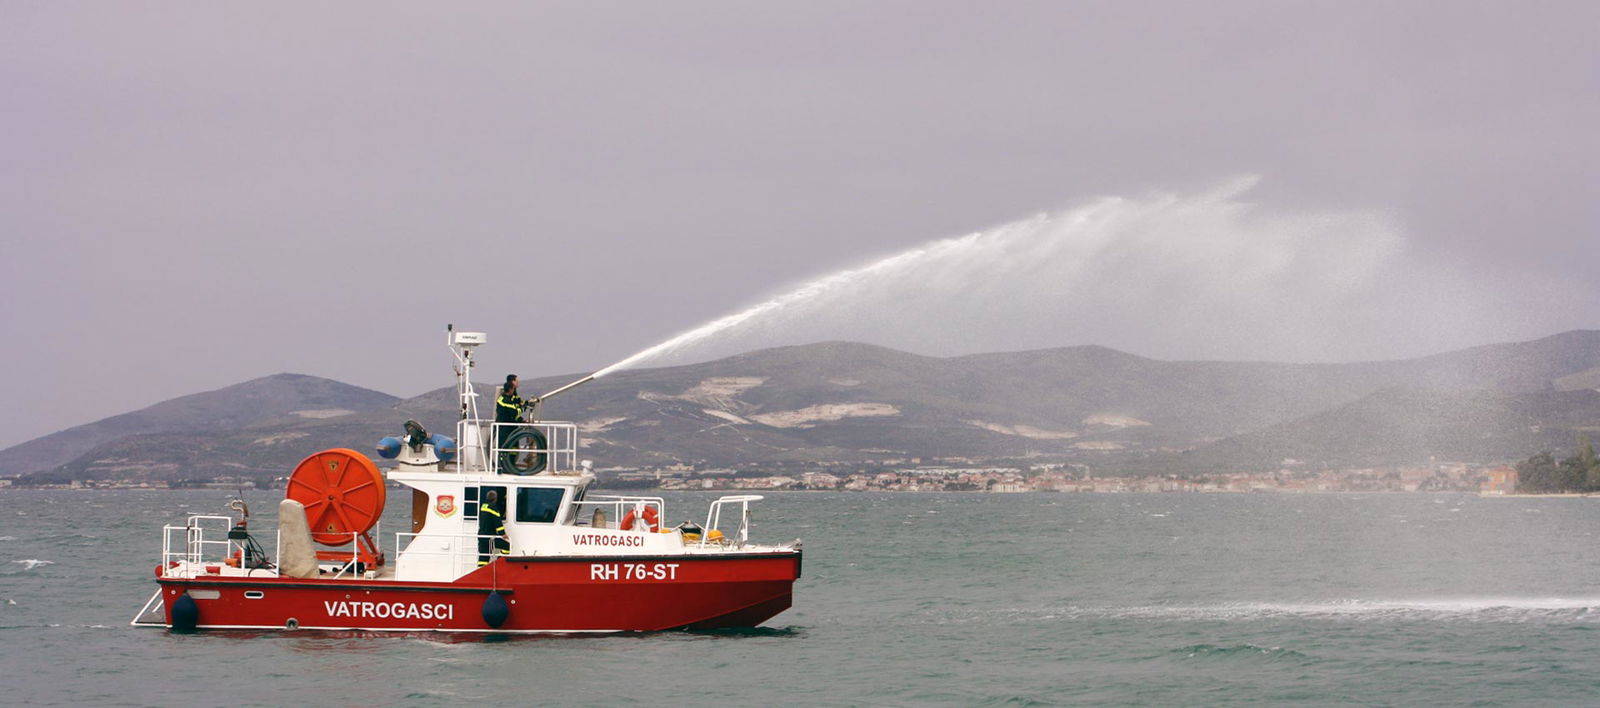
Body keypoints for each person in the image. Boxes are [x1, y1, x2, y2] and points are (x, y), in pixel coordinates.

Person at [477, 489, 510, 566]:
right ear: (495, 499)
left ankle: (481, 570)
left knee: (483, 557)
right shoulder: (493, 508)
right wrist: (503, 534)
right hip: (490, 536)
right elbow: (497, 522)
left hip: (481, 536)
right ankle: (499, 562)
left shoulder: (483, 506)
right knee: (507, 547)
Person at [495, 374, 524, 452]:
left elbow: (519, 403)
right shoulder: (504, 400)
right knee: (504, 446)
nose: (518, 383)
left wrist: (526, 403)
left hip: (512, 426)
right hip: (505, 427)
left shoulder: (514, 396)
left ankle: (511, 459)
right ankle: (504, 459)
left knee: (514, 446)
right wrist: (521, 419)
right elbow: (514, 411)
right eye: (516, 381)